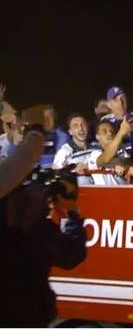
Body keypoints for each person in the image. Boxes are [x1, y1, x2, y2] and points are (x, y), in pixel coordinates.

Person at [0, 130, 87, 327]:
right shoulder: (31, 233)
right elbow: (72, 255)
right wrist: (72, 213)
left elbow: (71, 255)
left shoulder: (41, 230)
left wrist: (71, 212)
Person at [101, 86, 133, 172]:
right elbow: (100, 150)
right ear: (109, 105)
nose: (120, 102)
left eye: (122, 98)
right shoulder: (105, 120)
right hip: (113, 168)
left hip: (132, 168)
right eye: (115, 100)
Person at [87, 119, 133, 186]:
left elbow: (130, 162)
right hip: (104, 194)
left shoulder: (122, 151)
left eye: (112, 131)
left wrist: (123, 164)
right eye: (104, 131)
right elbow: (105, 159)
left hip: (124, 193)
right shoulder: (94, 153)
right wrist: (121, 133)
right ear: (97, 137)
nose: (110, 133)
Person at [52, 113, 95, 185]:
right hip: (78, 193)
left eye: (83, 124)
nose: (81, 128)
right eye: (76, 126)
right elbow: (55, 172)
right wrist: (73, 169)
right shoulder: (64, 152)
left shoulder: (96, 147)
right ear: (70, 132)